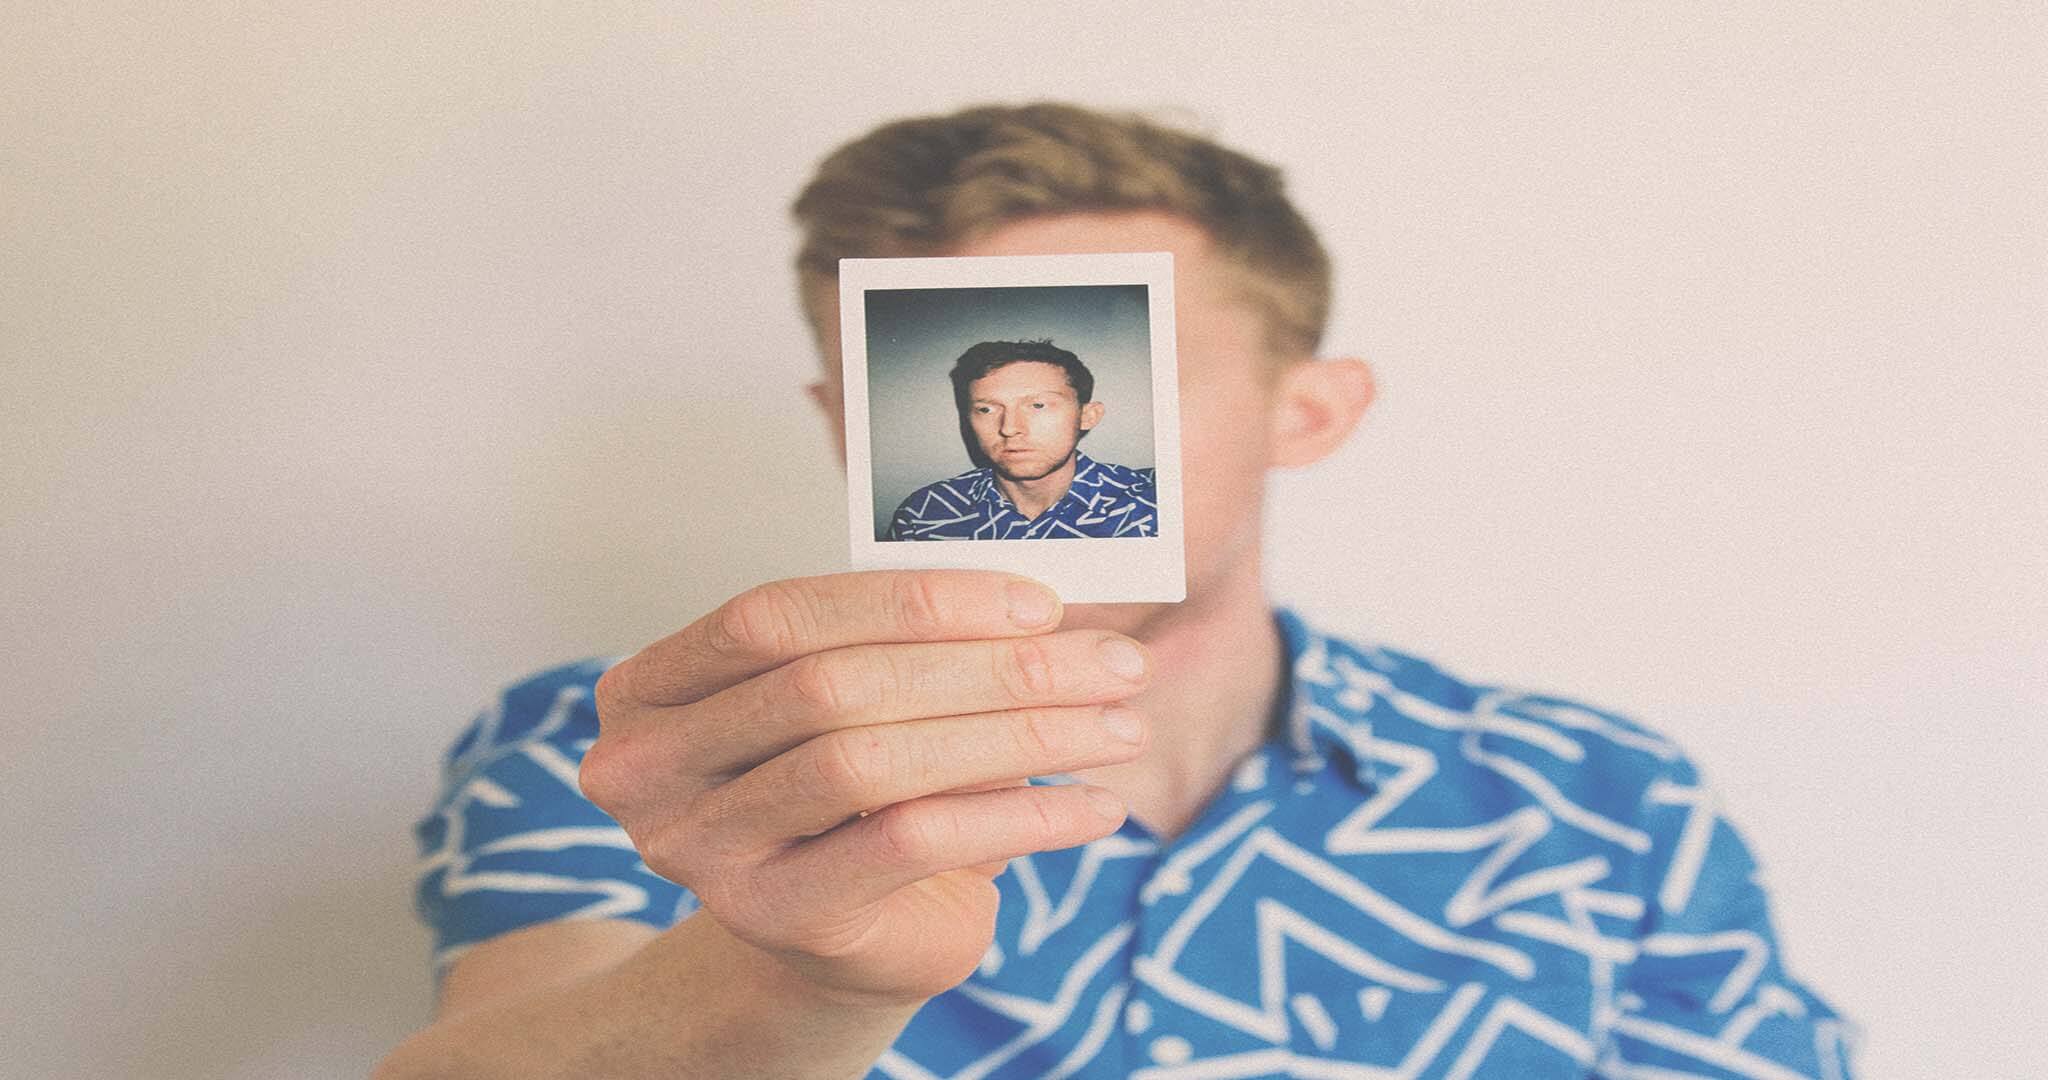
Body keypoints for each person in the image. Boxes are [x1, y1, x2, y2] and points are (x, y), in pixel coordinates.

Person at [376, 103, 1854, 1079]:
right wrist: (797, 984)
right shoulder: (645, 747)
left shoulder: (1597, 803)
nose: (1010, 436)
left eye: (1117, 379)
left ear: (1307, 410)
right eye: (940, 394)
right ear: (849, 426)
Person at [889, 338, 1158, 541]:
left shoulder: (1153, 505)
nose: (1009, 428)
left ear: (1087, 416)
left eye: (1038, 405)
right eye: (986, 409)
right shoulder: (924, 515)